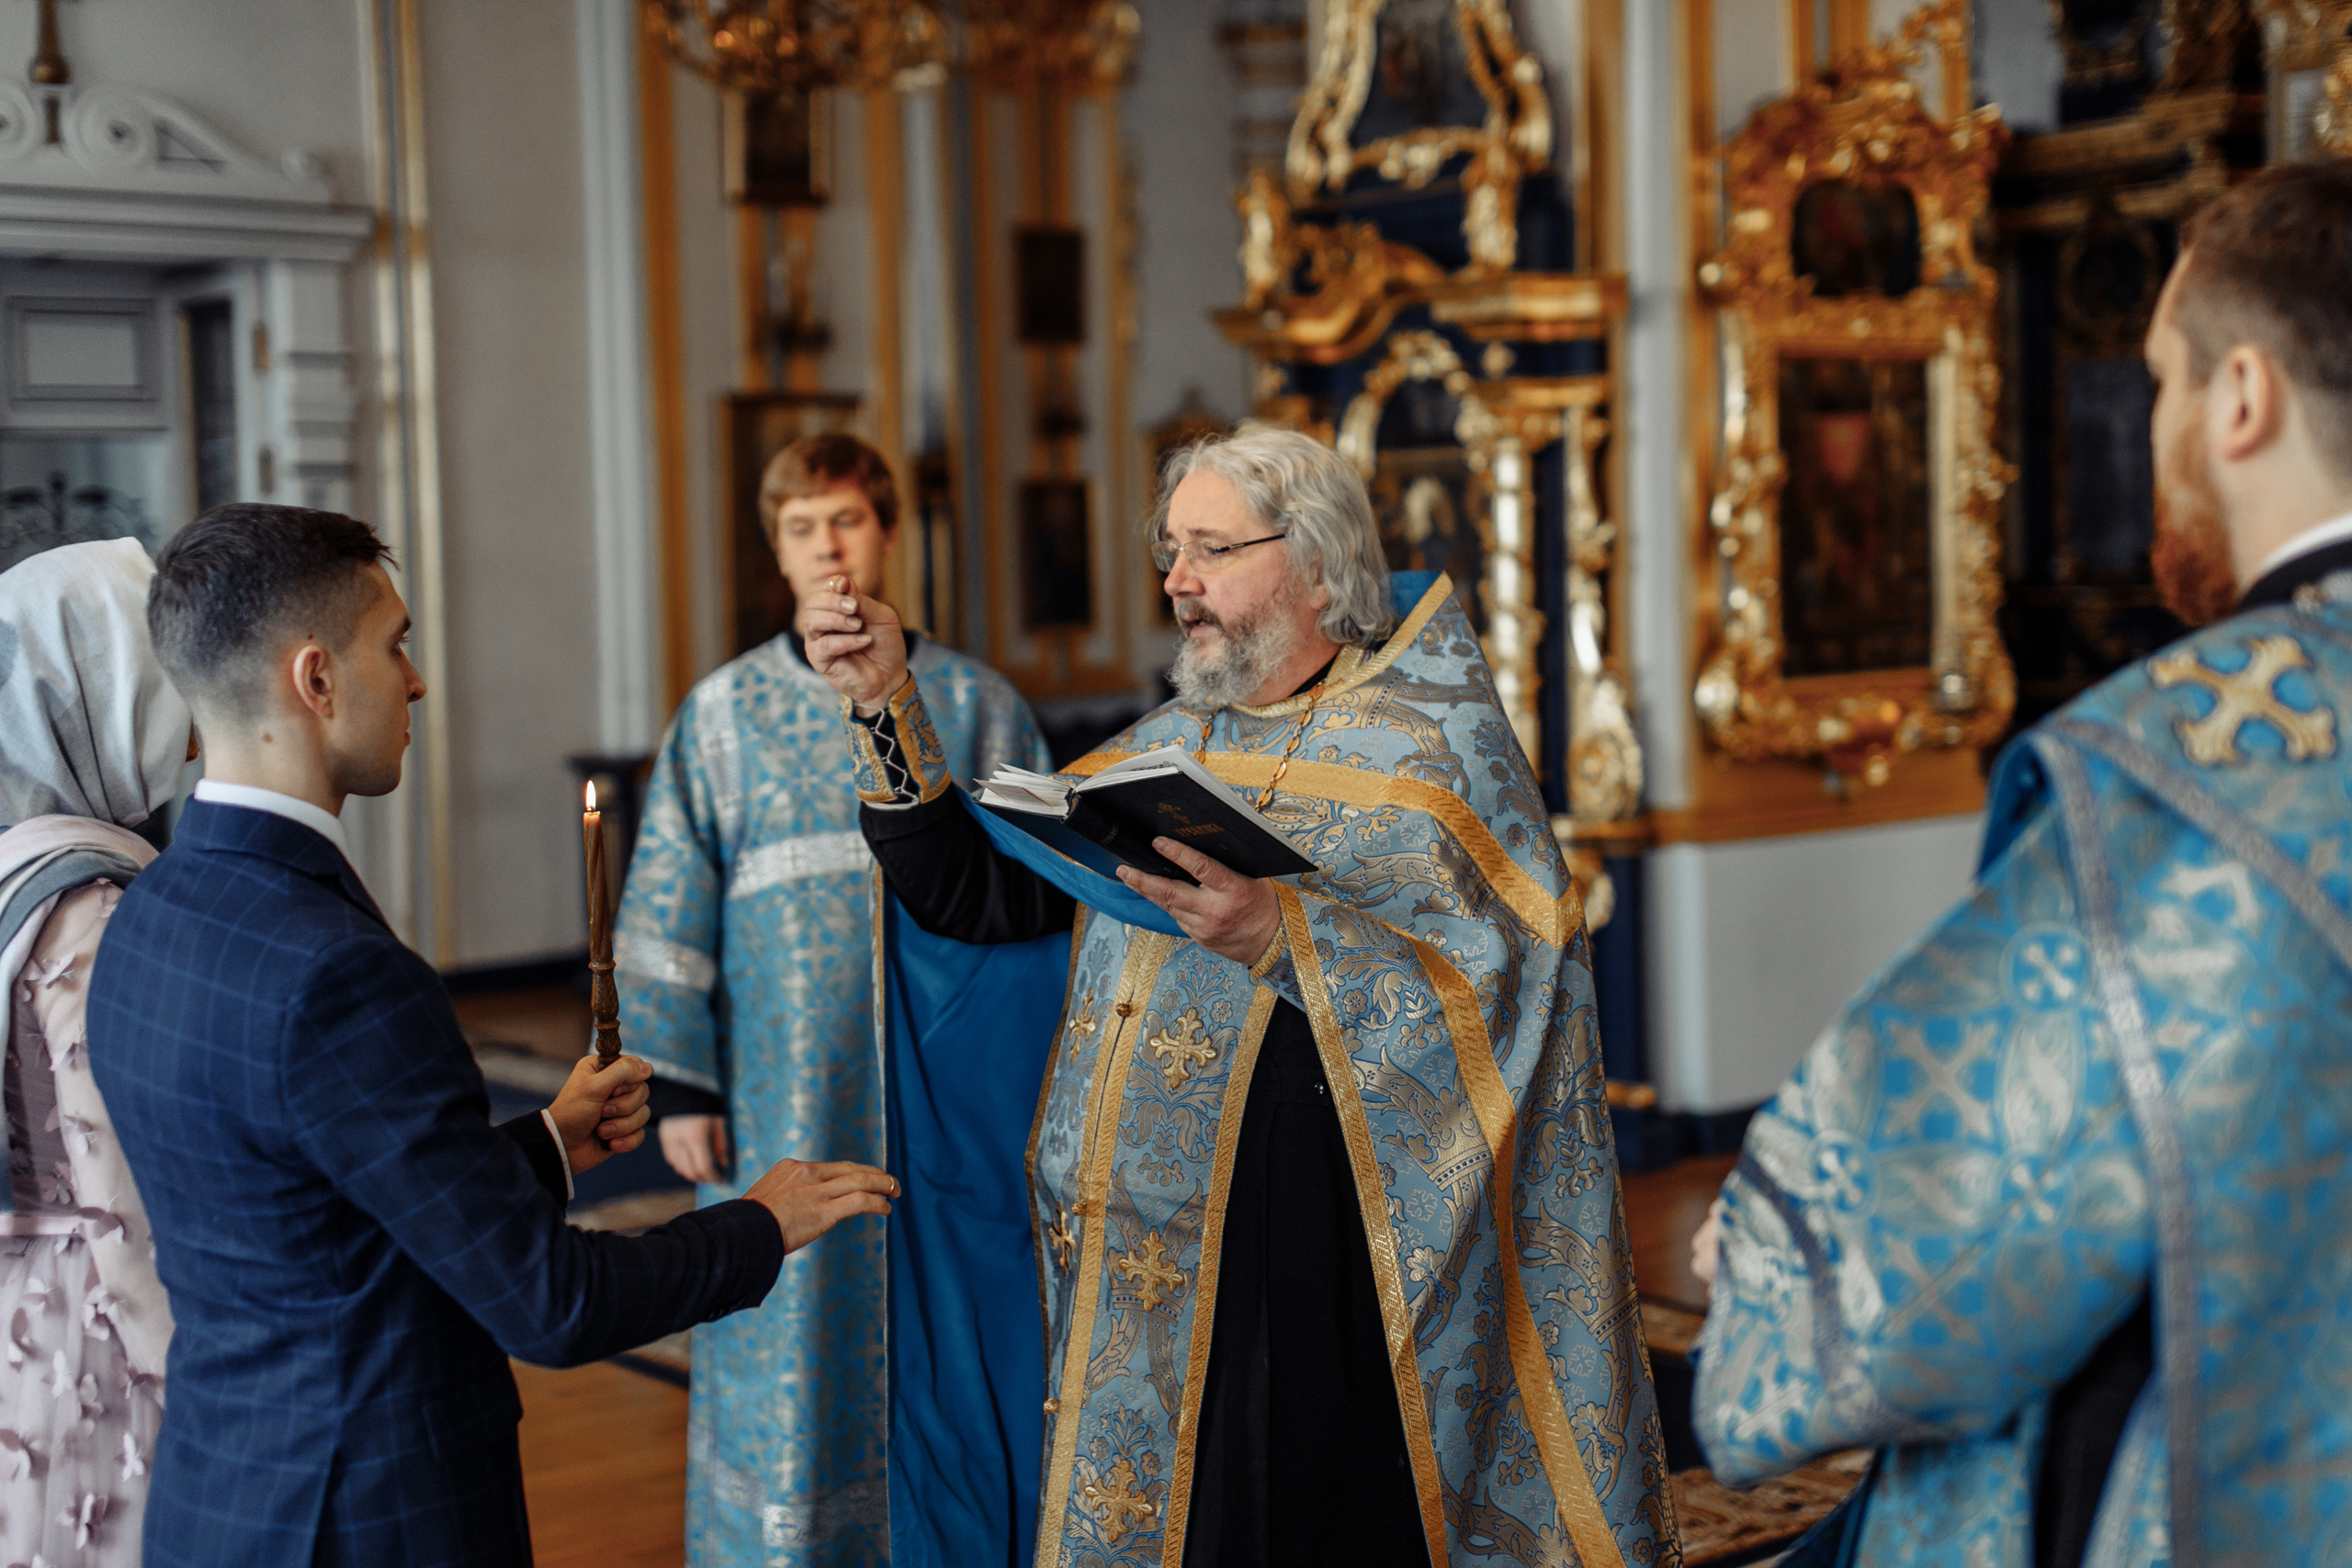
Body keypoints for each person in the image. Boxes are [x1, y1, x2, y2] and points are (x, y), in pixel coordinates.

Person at [808, 427, 1677, 1568]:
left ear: (1315, 566)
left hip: (1328, 1254)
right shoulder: (1165, 746)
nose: (1177, 579)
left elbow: (1505, 998)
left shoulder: (1427, 756)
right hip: (1145, 1252)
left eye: (1211, 550)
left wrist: (1280, 935)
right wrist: (882, 701)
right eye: (1171, 550)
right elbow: (978, 894)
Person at [1690, 161, 2352, 1567]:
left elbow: (1971, 1213)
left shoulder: (2185, 759)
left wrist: (1770, 1254)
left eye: (2162, 380)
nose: (2157, 423)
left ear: (2242, 397)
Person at [84, 503, 900, 1568]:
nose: (417, 681)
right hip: (369, 1516)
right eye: (395, 644)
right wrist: (761, 1222)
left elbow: (319, 1209)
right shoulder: (340, 972)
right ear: (316, 680)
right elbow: (553, 1305)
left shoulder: (151, 906)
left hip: (223, 1495)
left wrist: (548, 1144)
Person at [617, 433, 1048, 1566]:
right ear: (775, 548)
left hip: (947, 1097)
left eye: (847, 521)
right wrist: (682, 1088)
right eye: (801, 527)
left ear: (889, 534)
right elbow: (666, 905)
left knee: (944, 1325)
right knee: (790, 1330)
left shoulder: (980, 704)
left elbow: (1032, 905)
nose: (827, 548)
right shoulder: (720, 715)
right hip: (782, 1100)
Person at [0, 539, 190, 1566]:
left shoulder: (14, 871)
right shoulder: (91, 908)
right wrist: (193, 1376)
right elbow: (117, 1181)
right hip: (97, 1325)